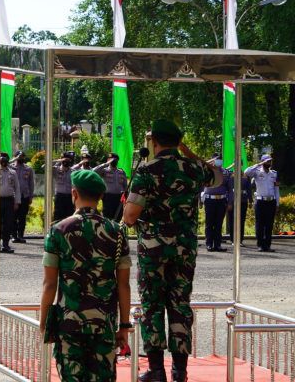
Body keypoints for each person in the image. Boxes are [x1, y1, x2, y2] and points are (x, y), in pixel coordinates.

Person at [123, 119, 222, 382]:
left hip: (154, 250)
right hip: (184, 250)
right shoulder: (193, 169)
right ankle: (180, 371)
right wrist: (187, 152)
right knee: (180, 304)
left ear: (154, 141)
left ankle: (156, 371)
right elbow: (217, 175)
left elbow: (131, 216)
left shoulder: (147, 170)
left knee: (152, 305)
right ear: (178, 142)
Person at [40, 170, 131, 382]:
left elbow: (49, 284)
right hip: (104, 322)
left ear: (73, 193)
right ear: (100, 197)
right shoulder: (117, 232)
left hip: (69, 322)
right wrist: (124, 326)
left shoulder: (58, 231)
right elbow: (123, 285)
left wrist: (44, 322)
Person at [245, 154, 279, 253]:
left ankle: (267, 245)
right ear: (263, 162)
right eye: (267, 161)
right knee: (260, 224)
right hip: (260, 201)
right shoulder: (257, 172)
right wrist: (259, 164)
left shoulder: (274, 173)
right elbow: (247, 172)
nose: (269, 163)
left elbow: (276, 189)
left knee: (269, 224)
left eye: (270, 161)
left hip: (271, 201)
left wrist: (277, 203)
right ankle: (260, 245)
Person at [201, 154, 232, 252]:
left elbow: (230, 189)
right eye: (217, 159)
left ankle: (217, 245)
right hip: (210, 200)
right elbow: (200, 185)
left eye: (220, 160)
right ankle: (209, 244)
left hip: (221, 201)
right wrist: (199, 200)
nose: (219, 161)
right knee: (209, 223)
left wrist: (230, 202)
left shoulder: (226, 173)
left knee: (219, 224)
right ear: (212, 161)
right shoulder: (206, 171)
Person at [93, 152, 128, 221]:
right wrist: (105, 164)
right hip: (108, 198)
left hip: (119, 198)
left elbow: (125, 186)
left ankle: (116, 230)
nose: (112, 161)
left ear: (117, 160)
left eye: (114, 159)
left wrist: (126, 197)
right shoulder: (104, 171)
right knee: (107, 217)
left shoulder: (121, 172)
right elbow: (93, 171)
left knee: (118, 216)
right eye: (110, 159)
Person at [11, 151, 35, 243]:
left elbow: (31, 184)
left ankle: (20, 235)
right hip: (13, 196)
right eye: (19, 156)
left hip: (24, 196)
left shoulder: (28, 169)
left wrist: (31, 196)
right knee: (13, 217)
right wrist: (15, 159)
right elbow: (3, 164)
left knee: (22, 217)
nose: (21, 158)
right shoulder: (11, 167)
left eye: (22, 156)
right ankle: (14, 236)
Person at [225, 166, 252, 246]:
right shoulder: (230, 175)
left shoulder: (246, 176)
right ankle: (233, 240)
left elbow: (249, 189)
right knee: (232, 220)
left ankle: (240, 240)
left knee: (241, 220)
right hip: (232, 200)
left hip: (243, 200)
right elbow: (228, 189)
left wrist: (250, 200)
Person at [52, 152, 75, 222]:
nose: (65, 162)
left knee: (69, 218)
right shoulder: (56, 169)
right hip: (59, 197)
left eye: (67, 160)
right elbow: (43, 167)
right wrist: (57, 161)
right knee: (58, 218)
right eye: (64, 160)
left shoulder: (73, 171)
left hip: (69, 197)